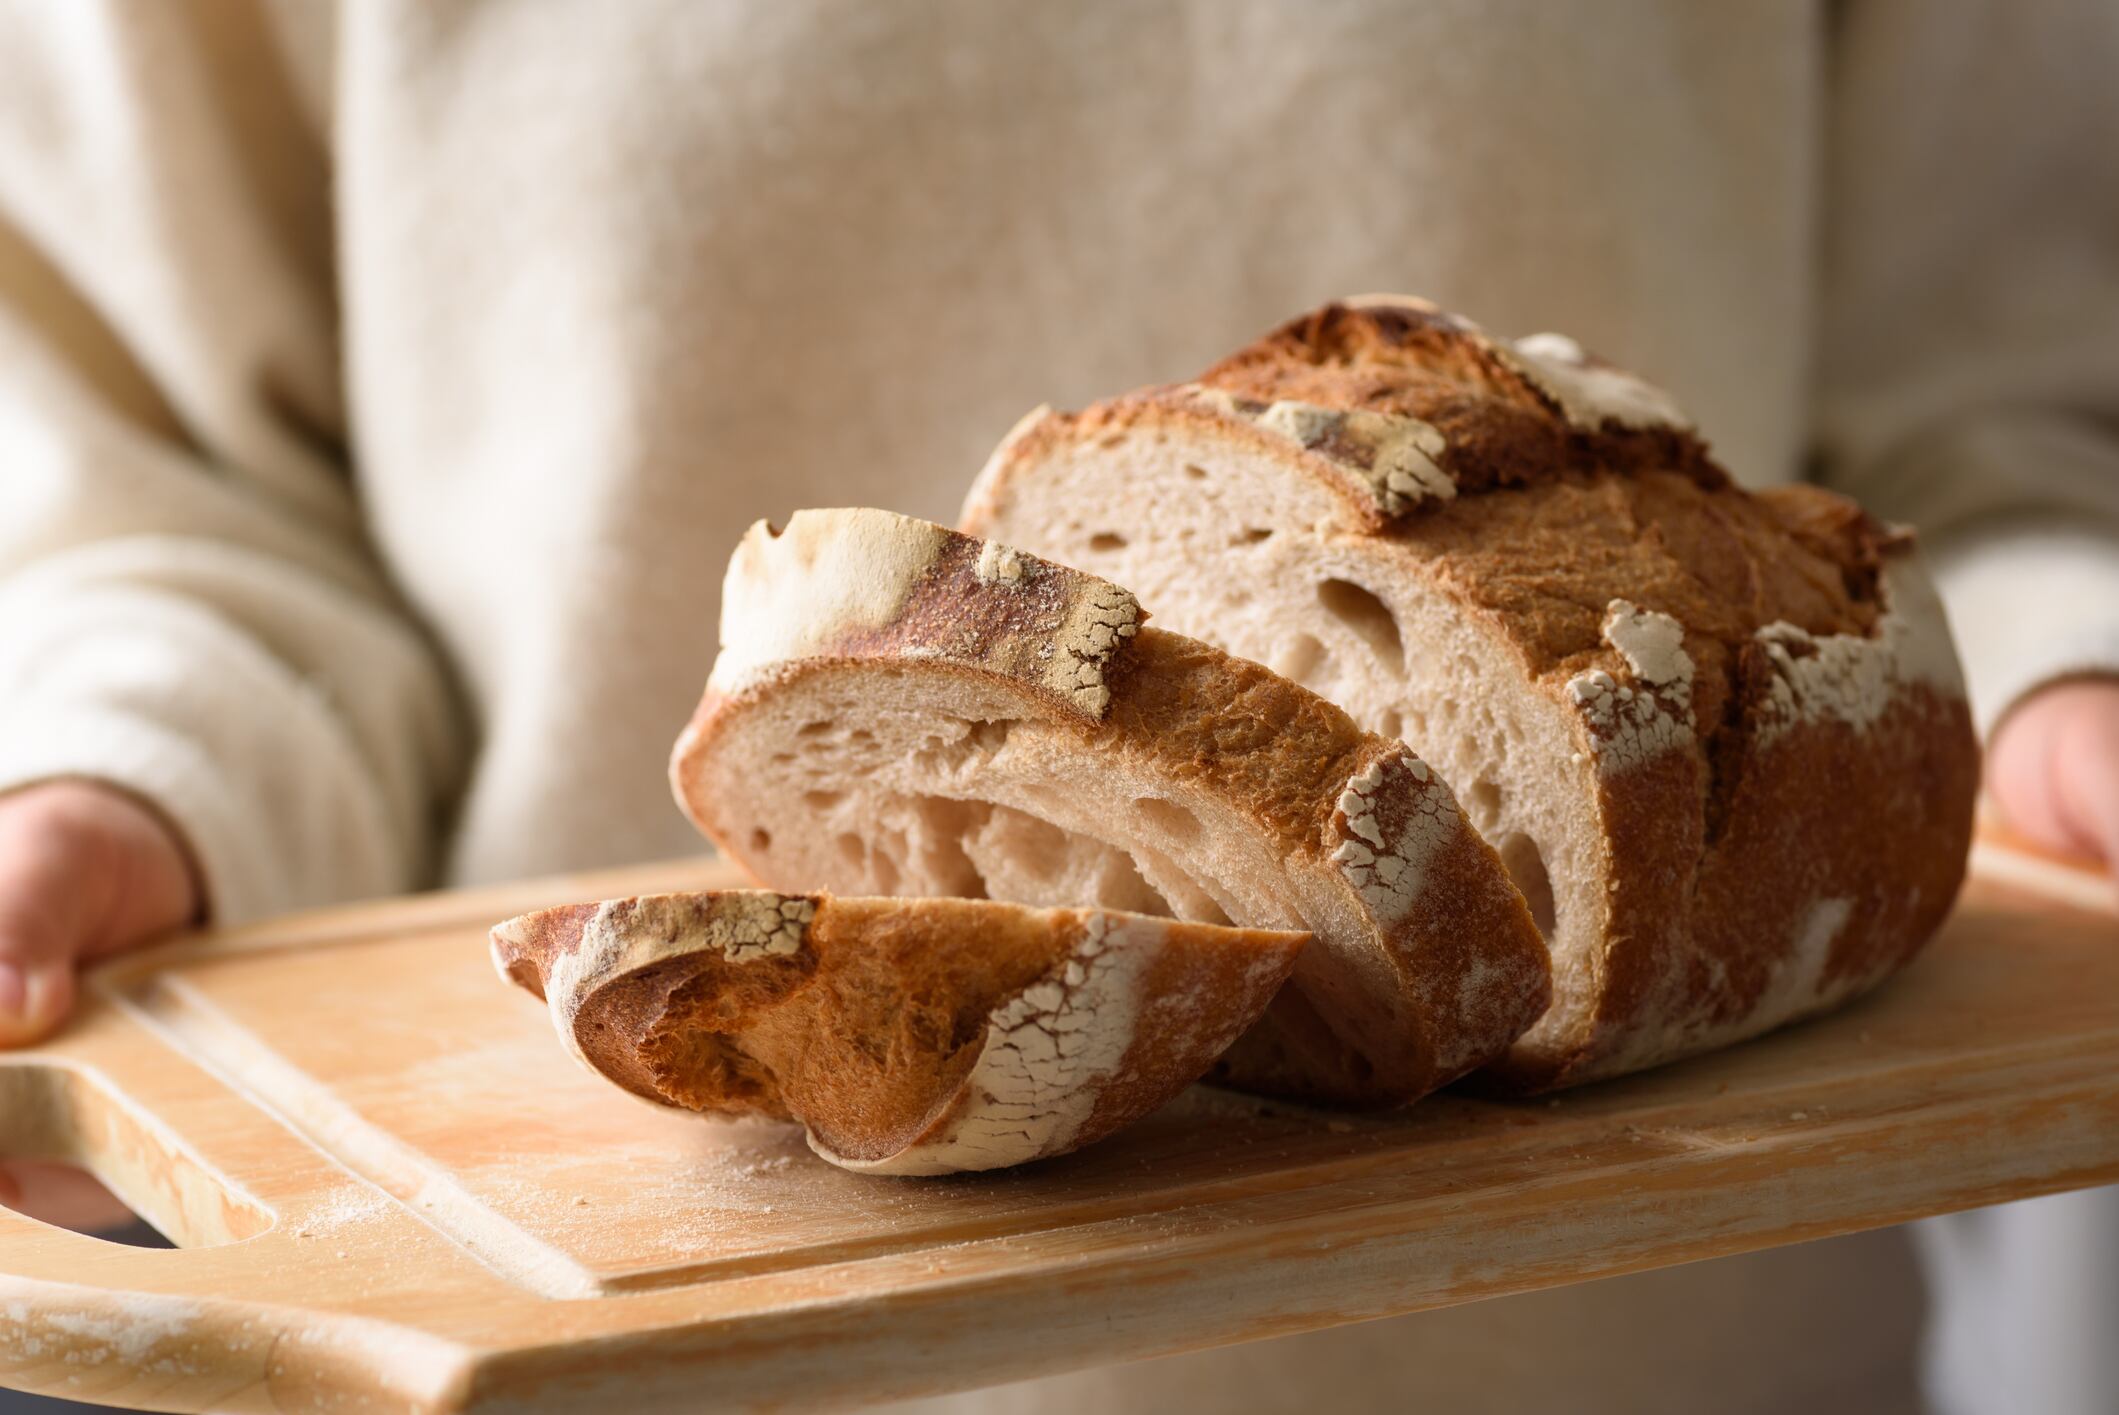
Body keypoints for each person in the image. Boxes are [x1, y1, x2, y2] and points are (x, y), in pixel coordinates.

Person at [0, 3, 2112, 1413]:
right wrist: (138, 758)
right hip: (614, 1329)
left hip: (1656, 1358)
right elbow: (165, 480)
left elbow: (1988, 412)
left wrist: (2062, 666)